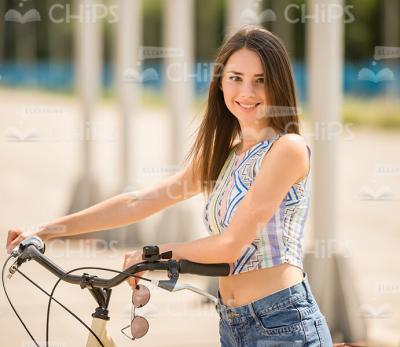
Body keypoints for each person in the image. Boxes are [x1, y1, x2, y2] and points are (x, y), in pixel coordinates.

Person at [6, 25, 333, 346]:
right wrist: (47, 230)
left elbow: (232, 245)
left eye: (260, 80)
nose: (246, 92)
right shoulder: (225, 156)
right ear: (220, 84)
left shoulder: (286, 149)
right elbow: (139, 202)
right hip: (233, 322)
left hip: (283, 322)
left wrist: (151, 254)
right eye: (235, 78)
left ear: (278, 84)